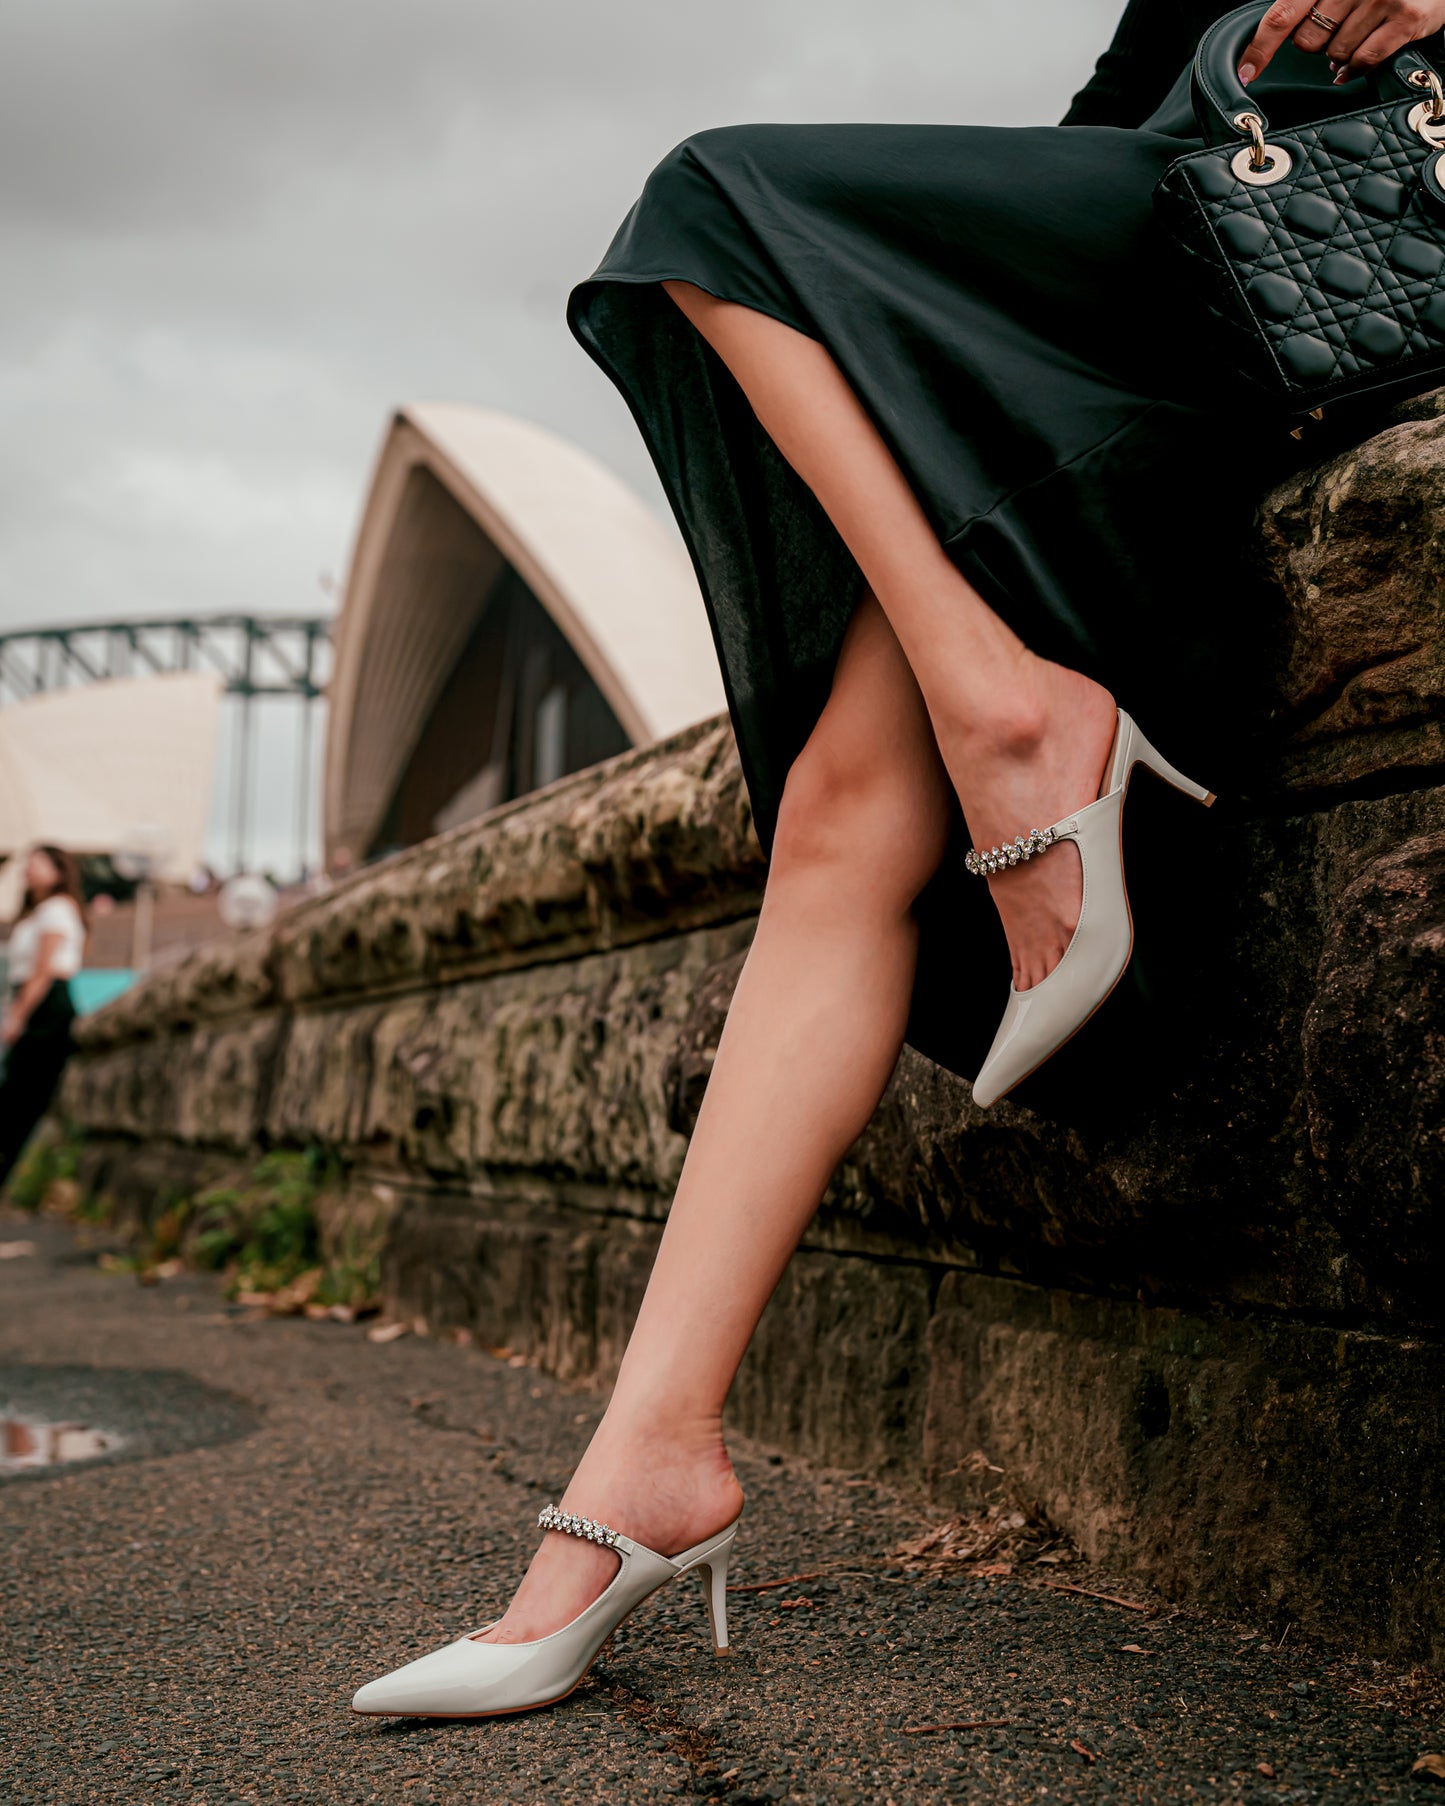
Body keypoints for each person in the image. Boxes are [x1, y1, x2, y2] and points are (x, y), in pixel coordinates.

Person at [353, 0, 1445, 1717]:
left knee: (710, 205)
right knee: (844, 814)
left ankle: (1015, 715)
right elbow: (1125, 83)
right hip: (1164, 224)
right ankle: (648, 1464)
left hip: (1344, 205)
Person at [0, 844, 87, 1189]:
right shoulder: (37, 911)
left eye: (38, 863)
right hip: (34, 1003)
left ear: (58, 871)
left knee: (18, 1100)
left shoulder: (57, 909)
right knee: (14, 1099)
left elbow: (44, 969)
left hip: (45, 1007)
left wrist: (18, 1015)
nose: (29, 869)